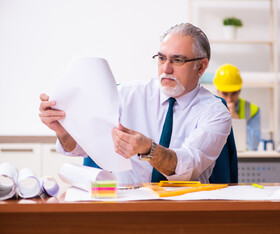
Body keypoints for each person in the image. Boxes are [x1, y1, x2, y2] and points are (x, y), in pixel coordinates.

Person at [39, 23, 232, 185]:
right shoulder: (125, 95)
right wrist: (63, 131)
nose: (166, 68)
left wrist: (149, 150)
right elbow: (83, 147)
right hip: (126, 204)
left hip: (182, 208)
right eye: (162, 58)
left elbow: (189, 166)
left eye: (178, 60)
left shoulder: (215, 111)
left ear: (201, 66)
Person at [213, 63, 261, 150]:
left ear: (239, 90)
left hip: (244, 160)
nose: (229, 99)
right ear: (217, 90)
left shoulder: (252, 110)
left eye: (234, 93)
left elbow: (254, 144)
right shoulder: (209, 108)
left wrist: (236, 120)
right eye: (225, 93)